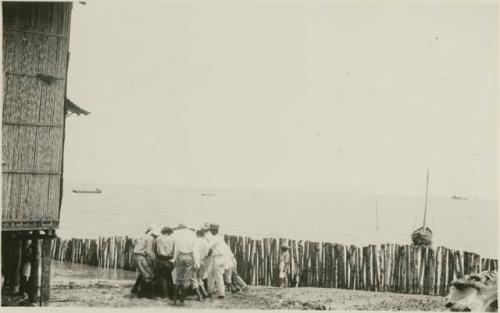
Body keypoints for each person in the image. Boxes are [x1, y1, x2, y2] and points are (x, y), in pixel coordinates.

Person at [172, 223, 200, 305]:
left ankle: (174, 299)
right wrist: (197, 263)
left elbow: (176, 249)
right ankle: (182, 300)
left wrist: (174, 259)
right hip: (189, 256)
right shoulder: (192, 235)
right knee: (187, 280)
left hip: (180, 256)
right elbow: (195, 251)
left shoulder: (177, 235)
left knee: (178, 278)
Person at [131, 225, 159, 298]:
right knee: (148, 274)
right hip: (140, 256)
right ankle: (147, 294)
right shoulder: (150, 238)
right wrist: (154, 258)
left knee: (143, 273)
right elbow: (148, 251)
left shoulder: (145, 236)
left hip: (137, 256)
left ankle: (135, 290)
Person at [206, 223, 233, 298]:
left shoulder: (217, 237)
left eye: (211, 230)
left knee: (218, 276)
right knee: (210, 275)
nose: (210, 231)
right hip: (214, 258)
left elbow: (208, 246)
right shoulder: (215, 237)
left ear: (215, 230)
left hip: (219, 258)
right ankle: (209, 292)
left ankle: (221, 294)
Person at [153, 226, 175, 299]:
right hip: (169, 259)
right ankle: (171, 294)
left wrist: (157, 258)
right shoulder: (173, 239)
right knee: (170, 277)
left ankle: (165, 295)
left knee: (162, 278)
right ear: (170, 232)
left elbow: (154, 250)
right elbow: (175, 250)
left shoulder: (157, 239)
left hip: (161, 259)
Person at [195, 229, 209, 299]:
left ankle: (200, 294)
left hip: (196, 260)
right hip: (202, 260)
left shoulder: (195, 241)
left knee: (195, 278)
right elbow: (207, 253)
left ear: (197, 234)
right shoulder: (205, 241)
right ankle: (204, 292)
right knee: (199, 278)